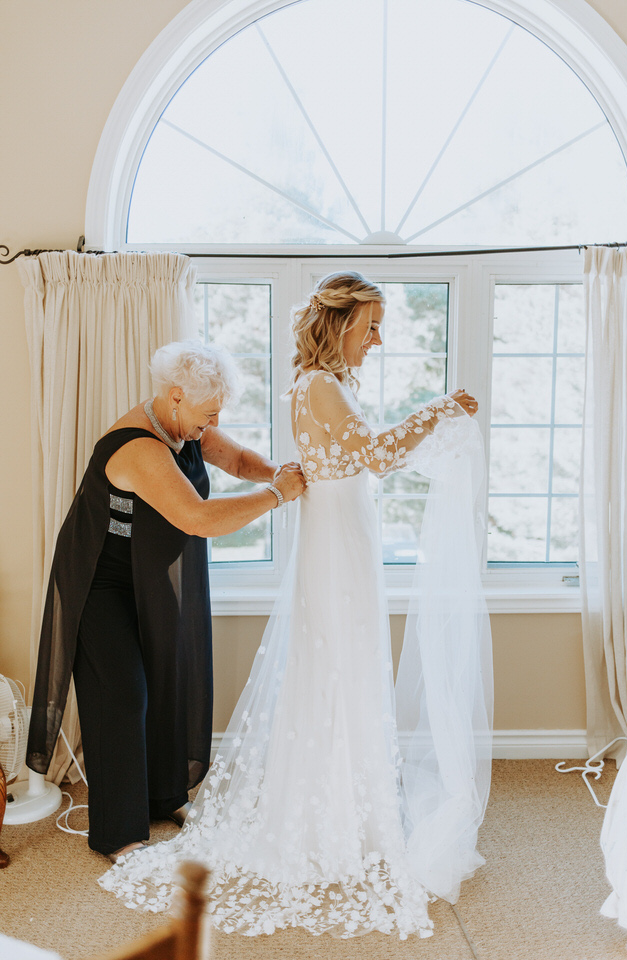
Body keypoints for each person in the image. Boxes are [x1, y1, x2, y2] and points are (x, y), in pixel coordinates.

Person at [99, 275, 492, 938]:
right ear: (338, 326)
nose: (377, 338)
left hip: (344, 536)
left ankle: (355, 808)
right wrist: (440, 409)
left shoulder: (321, 386)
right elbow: (379, 457)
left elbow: (327, 461)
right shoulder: (318, 386)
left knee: (349, 665)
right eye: (369, 325)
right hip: (336, 542)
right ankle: (335, 818)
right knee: (339, 664)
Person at [26, 340, 305, 861]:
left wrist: (279, 473)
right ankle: (117, 834)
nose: (212, 424)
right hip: (98, 581)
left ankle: (163, 796)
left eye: (217, 414)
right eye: (208, 414)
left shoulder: (184, 423)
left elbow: (239, 459)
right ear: (176, 396)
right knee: (123, 694)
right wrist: (277, 497)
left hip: (144, 575)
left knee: (164, 679)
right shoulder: (138, 447)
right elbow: (198, 518)